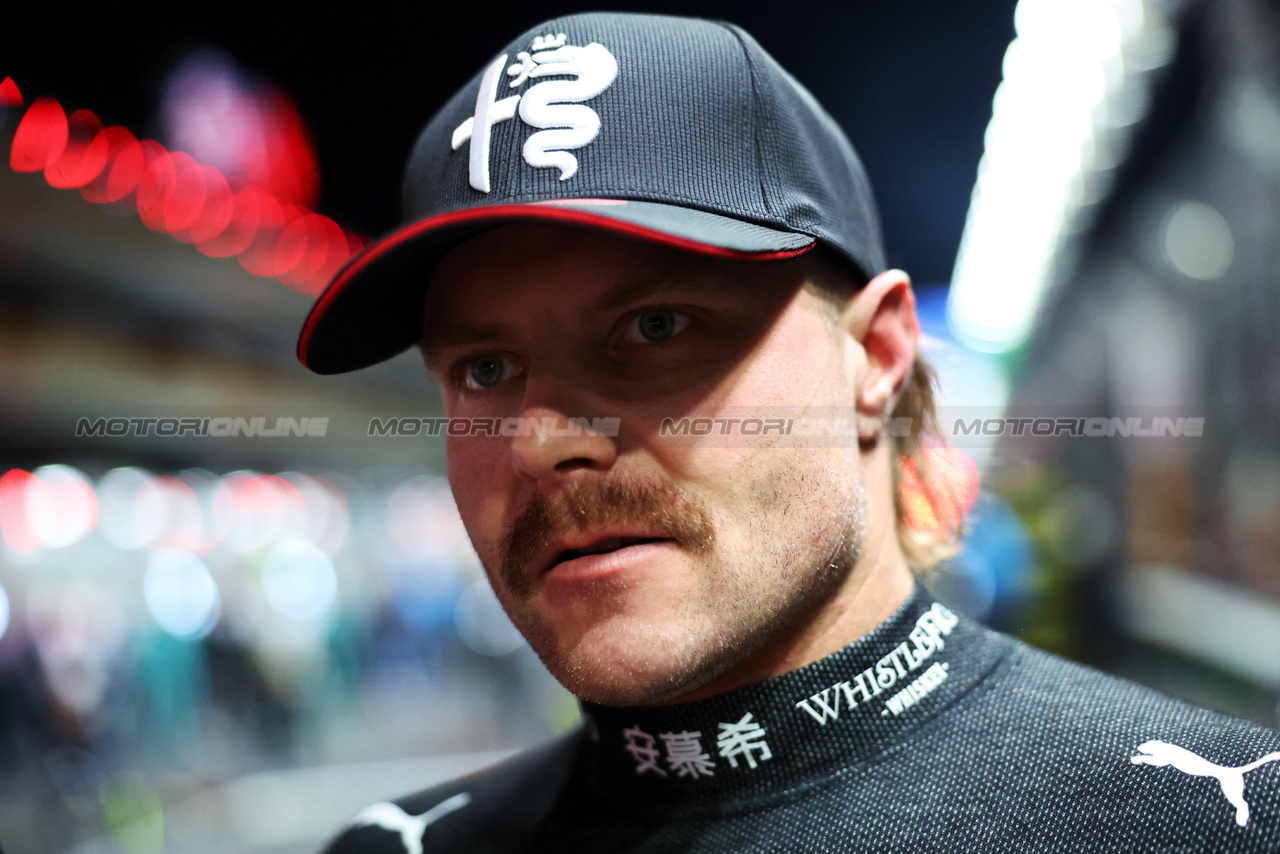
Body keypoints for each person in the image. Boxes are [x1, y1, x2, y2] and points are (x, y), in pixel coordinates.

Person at [298, 11, 1280, 852]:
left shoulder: (1209, 813)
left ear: (877, 358)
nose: (544, 439)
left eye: (654, 326)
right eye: (483, 369)